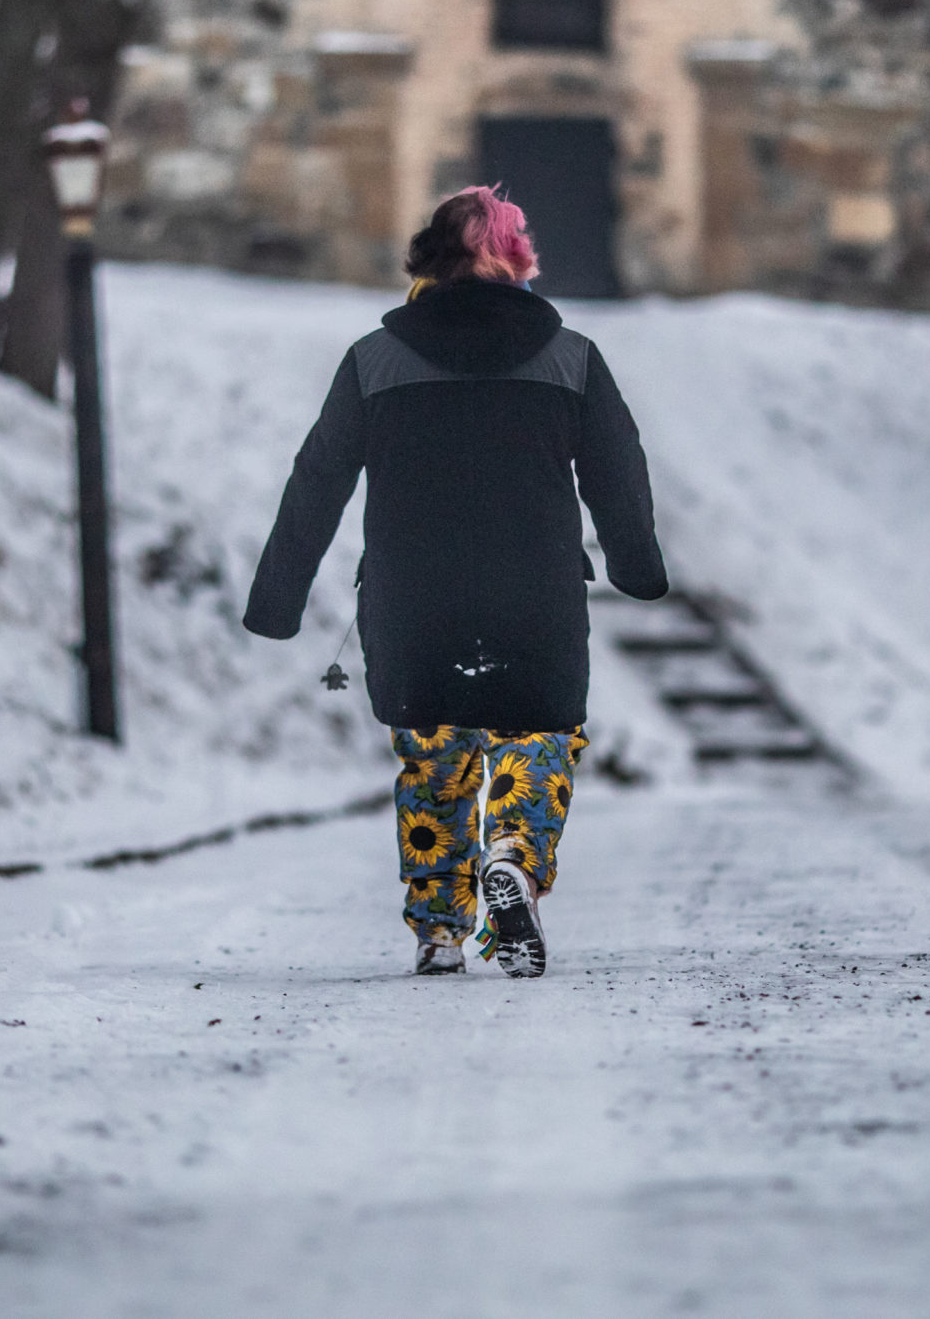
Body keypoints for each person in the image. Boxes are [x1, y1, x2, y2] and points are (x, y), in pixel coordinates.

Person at [244, 186, 667, 978]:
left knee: (434, 753)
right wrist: (636, 566)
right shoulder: (571, 356)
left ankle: (440, 929)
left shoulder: (374, 359)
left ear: (429, 262)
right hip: (533, 593)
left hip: (414, 600)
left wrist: (278, 601)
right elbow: (618, 470)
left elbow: (317, 480)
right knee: (536, 735)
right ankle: (511, 854)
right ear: (518, 264)